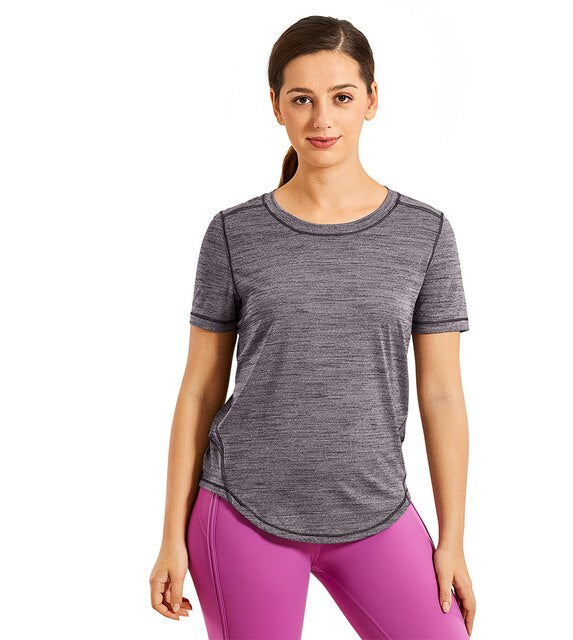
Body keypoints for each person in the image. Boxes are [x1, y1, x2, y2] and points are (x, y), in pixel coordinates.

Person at [149, 14, 476, 639]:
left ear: (372, 100)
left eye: (341, 97)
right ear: (276, 106)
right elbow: (199, 388)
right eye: (302, 99)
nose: (322, 118)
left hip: (375, 509)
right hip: (241, 511)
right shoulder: (234, 234)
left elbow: (442, 394)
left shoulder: (425, 234)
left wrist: (453, 539)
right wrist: (170, 536)